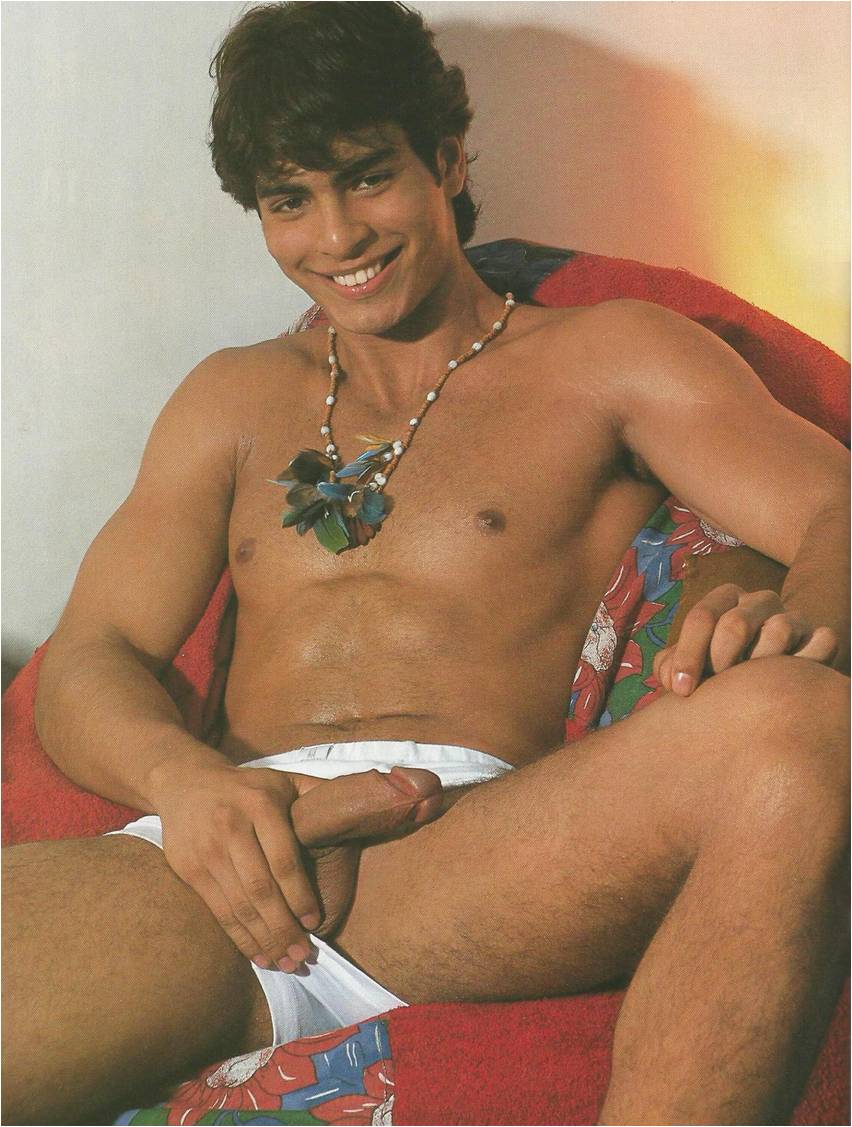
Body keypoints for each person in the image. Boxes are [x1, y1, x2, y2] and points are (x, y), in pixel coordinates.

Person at [3, 2, 848, 1123]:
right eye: (290, 201)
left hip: (467, 863)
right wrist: (185, 784)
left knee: (800, 727)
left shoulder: (610, 355)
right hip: (228, 860)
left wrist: (799, 619)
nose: (337, 236)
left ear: (446, 160)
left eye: (368, 178)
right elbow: (91, 655)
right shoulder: (230, 399)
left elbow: (839, 504)